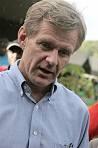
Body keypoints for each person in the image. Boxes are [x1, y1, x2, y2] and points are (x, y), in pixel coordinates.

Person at [0, 0, 89, 147]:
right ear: (23, 37)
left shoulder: (78, 113)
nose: (52, 60)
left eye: (64, 52)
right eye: (45, 45)